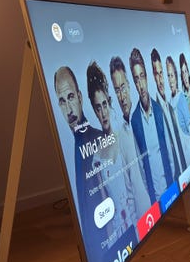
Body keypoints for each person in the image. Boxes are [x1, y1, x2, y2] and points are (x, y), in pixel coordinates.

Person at [54, 66, 107, 251]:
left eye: (70, 97)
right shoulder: (69, 146)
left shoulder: (99, 140)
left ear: (80, 97)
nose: (68, 109)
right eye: (62, 101)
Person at [86, 61, 138, 246]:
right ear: (94, 110)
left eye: (104, 104)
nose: (103, 112)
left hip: (136, 218)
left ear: (109, 101)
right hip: (118, 230)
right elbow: (104, 204)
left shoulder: (124, 133)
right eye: (98, 107)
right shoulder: (97, 158)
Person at [109, 56, 151, 220]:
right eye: (117, 90)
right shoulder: (120, 137)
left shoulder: (144, 116)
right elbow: (129, 190)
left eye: (123, 87)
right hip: (144, 217)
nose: (121, 96)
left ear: (128, 84)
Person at [129, 47, 173, 203]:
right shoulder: (134, 120)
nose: (140, 84)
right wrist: (149, 193)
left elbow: (169, 150)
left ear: (147, 77)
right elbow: (141, 164)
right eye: (136, 79)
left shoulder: (158, 109)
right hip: (154, 195)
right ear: (134, 83)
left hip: (170, 184)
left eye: (142, 76)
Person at [151, 48, 187, 179]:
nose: (160, 79)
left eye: (162, 73)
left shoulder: (170, 106)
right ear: (153, 76)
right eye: (157, 74)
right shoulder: (155, 112)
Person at [166, 55, 190, 162]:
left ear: (176, 77)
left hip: (188, 152)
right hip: (179, 155)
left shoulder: (181, 98)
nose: (170, 80)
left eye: (172, 75)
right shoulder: (169, 103)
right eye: (168, 76)